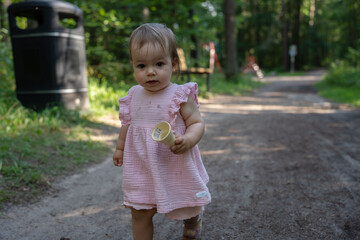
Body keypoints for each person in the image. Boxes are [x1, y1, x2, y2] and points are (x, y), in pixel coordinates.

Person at [113, 23, 211, 240]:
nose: (150, 72)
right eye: (141, 66)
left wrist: (188, 139)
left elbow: (197, 122)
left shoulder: (178, 95)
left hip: (174, 162)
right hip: (141, 164)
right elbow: (127, 124)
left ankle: (193, 219)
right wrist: (120, 148)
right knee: (140, 213)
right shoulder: (133, 95)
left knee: (185, 200)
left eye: (159, 63)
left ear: (172, 63)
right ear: (133, 65)